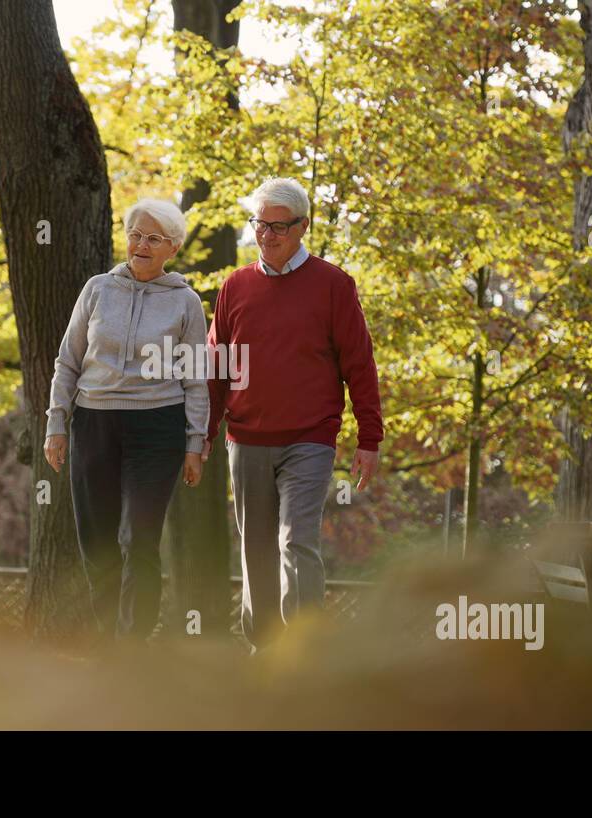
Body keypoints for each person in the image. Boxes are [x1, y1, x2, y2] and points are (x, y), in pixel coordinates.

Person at [203, 177, 384, 651]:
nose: (266, 235)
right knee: (255, 549)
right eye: (259, 225)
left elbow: (359, 364)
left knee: (296, 542)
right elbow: (216, 369)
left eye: (278, 227)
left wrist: (370, 438)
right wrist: (201, 436)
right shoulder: (234, 287)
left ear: (303, 227)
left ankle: (302, 652)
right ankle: (263, 651)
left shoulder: (333, 285)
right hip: (246, 440)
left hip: (309, 438)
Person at [44, 198, 209, 641]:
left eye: (153, 238)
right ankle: (105, 646)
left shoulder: (186, 302)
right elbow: (68, 361)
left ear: (172, 247)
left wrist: (195, 444)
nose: (140, 244)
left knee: (139, 539)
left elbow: (196, 379)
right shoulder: (98, 289)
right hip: (94, 423)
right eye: (135, 233)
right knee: (96, 541)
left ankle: (133, 646)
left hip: (158, 427)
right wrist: (56, 424)